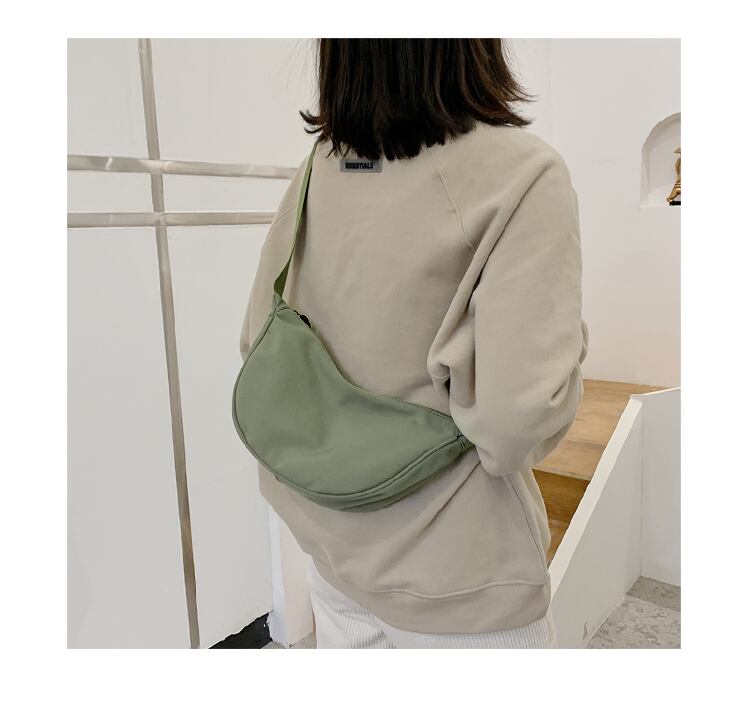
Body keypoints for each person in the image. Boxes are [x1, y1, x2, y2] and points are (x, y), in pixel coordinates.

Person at [240, 38, 587, 649]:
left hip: (333, 554)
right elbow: (515, 423)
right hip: (460, 579)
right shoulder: (524, 173)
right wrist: (570, 347)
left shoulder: (321, 166)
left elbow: (257, 342)